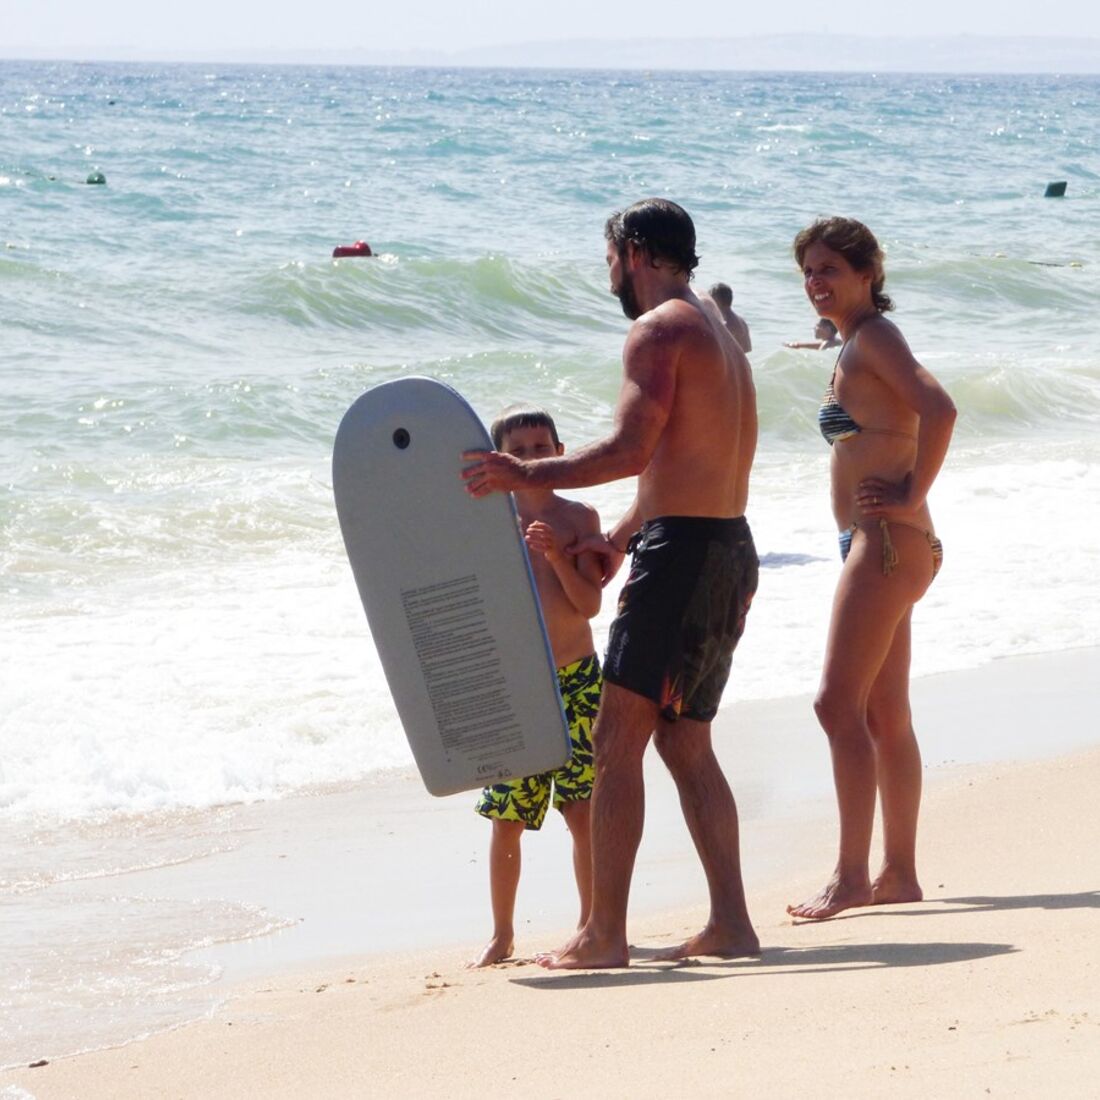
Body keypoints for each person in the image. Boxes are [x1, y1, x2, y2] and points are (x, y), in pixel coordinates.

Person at [462, 198, 760, 968]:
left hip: (683, 555)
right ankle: (731, 923)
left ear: (633, 253)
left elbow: (631, 448)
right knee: (685, 741)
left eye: (608, 262)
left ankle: (603, 934)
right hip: (727, 546)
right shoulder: (720, 330)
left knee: (613, 739)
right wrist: (618, 540)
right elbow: (685, 463)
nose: (609, 280)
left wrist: (525, 473)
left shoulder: (659, 329)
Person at [786, 217, 956, 921]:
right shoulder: (854, 340)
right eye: (808, 271)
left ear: (867, 274)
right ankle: (899, 873)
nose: (815, 282)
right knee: (885, 712)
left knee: (837, 705)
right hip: (889, 543)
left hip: (885, 540)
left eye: (829, 269)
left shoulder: (876, 337)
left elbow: (940, 407)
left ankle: (852, 876)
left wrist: (912, 491)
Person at [469, 406, 605, 967]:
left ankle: (591, 924)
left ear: (560, 451)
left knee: (582, 809)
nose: (531, 458)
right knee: (507, 817)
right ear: (499, 460)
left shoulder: (578, 517)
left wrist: (555, 556)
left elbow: (589, 605)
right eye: (518, 451)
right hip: (517, 685)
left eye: (541, 448)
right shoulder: (484, 521)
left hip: (578, 680)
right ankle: (501, 934)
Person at [707, 281, 752, 353]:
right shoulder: (742, 322)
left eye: (709, 299)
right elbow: (748, 349)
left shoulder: (723, 323)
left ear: (716, 300)